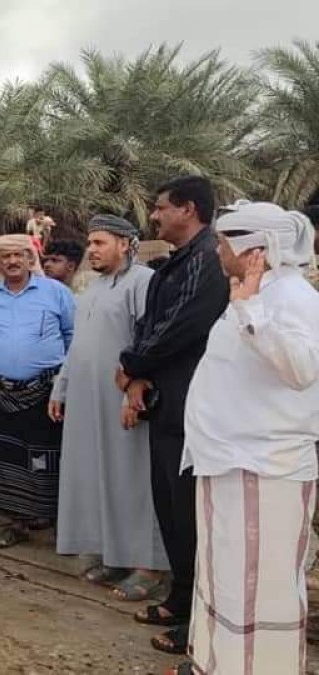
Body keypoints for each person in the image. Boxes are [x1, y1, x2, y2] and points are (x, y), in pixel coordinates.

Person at [169, 202, 319, 674]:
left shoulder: (292, 296)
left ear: (255, 247)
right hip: (228, 461)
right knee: (227, 582)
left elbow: (302, 369)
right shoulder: (254, 291)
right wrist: (248, 302)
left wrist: (252, 310)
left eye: (224, 240)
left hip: (266, 465)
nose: (217, 249)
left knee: (259, 587)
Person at [116, 176, 228, 656]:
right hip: (165, 402)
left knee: (191, 516)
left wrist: (133, 365)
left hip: (194, 406)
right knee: (172, 511)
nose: (154, 216)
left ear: (188, 209)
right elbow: (148, 325)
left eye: (161, 208)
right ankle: (181, 599)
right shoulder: (174, 265)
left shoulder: (207, 261)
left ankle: (201, 621)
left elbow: (180, 327)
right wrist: (136, 375)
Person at [50, 216, 167, 601]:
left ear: (126, 243)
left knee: (133, 479)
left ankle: (148, 566)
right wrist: (61, 388)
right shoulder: (93, 287)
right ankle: (115, 555)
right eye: (91, 243)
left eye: (100, 242)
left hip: (122, 401)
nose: (92, 250)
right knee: (100, 475)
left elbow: (148, 343)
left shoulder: (144, 282)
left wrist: (134, 389)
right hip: (87, 400)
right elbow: (79, 346)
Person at [0, 234, 75, 549]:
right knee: (10, 457)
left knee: (50, 455)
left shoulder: (56, 292)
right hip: (3, 392)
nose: (12, 262)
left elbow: (71, 335)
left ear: (30, 258)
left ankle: (60, 525)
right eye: (4, 256)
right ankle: (16, 523)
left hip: (48, 392)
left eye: (18, 255)